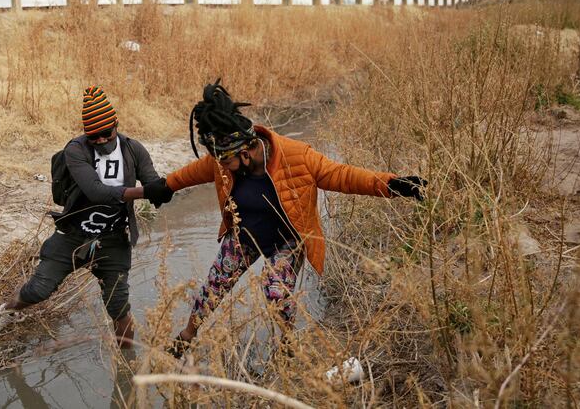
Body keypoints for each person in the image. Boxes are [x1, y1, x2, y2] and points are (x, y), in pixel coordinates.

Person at [144, 81, 425, 358]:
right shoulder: (223, 161)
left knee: (276, 291)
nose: (222, 168)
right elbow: (192, 173)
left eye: (226, 163)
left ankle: (288, 344)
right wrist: (166, 185)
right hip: (246, 234)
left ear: (244, 153)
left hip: (287, 238)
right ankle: (186, 337)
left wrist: (392, 185)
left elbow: (343, 175)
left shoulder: (297, 156)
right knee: (214, 286)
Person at [0, 86, 170, 348]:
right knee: (38, 290)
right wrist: (144, 191)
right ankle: (6, 311)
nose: (102, 140)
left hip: (113, 239)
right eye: (94, 136)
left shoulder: (133, 150)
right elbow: (95, 191)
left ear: (116, 124)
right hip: (73, 234)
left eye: (107, 133)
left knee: (119, 308)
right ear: (86, 134)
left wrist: (163, 190)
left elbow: (152, 183)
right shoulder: (76, 150)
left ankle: (126, 370)